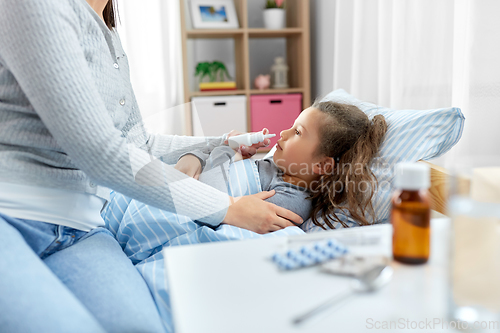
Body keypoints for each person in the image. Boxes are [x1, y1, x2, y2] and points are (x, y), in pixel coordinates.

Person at [0, 0, 302, 332]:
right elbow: (101, 153)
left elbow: (138, 144)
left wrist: (219, 143)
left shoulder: (107, 32)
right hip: (12, 213)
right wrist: (227, 208)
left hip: (80, 227)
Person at [176, 101, 388, 229]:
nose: (284, 133)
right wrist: (199, 156)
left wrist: (224, 151)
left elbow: (212, 200)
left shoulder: (291, 200)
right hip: (177, 196)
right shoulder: (274, 168)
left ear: (323, 165)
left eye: (297, 132)